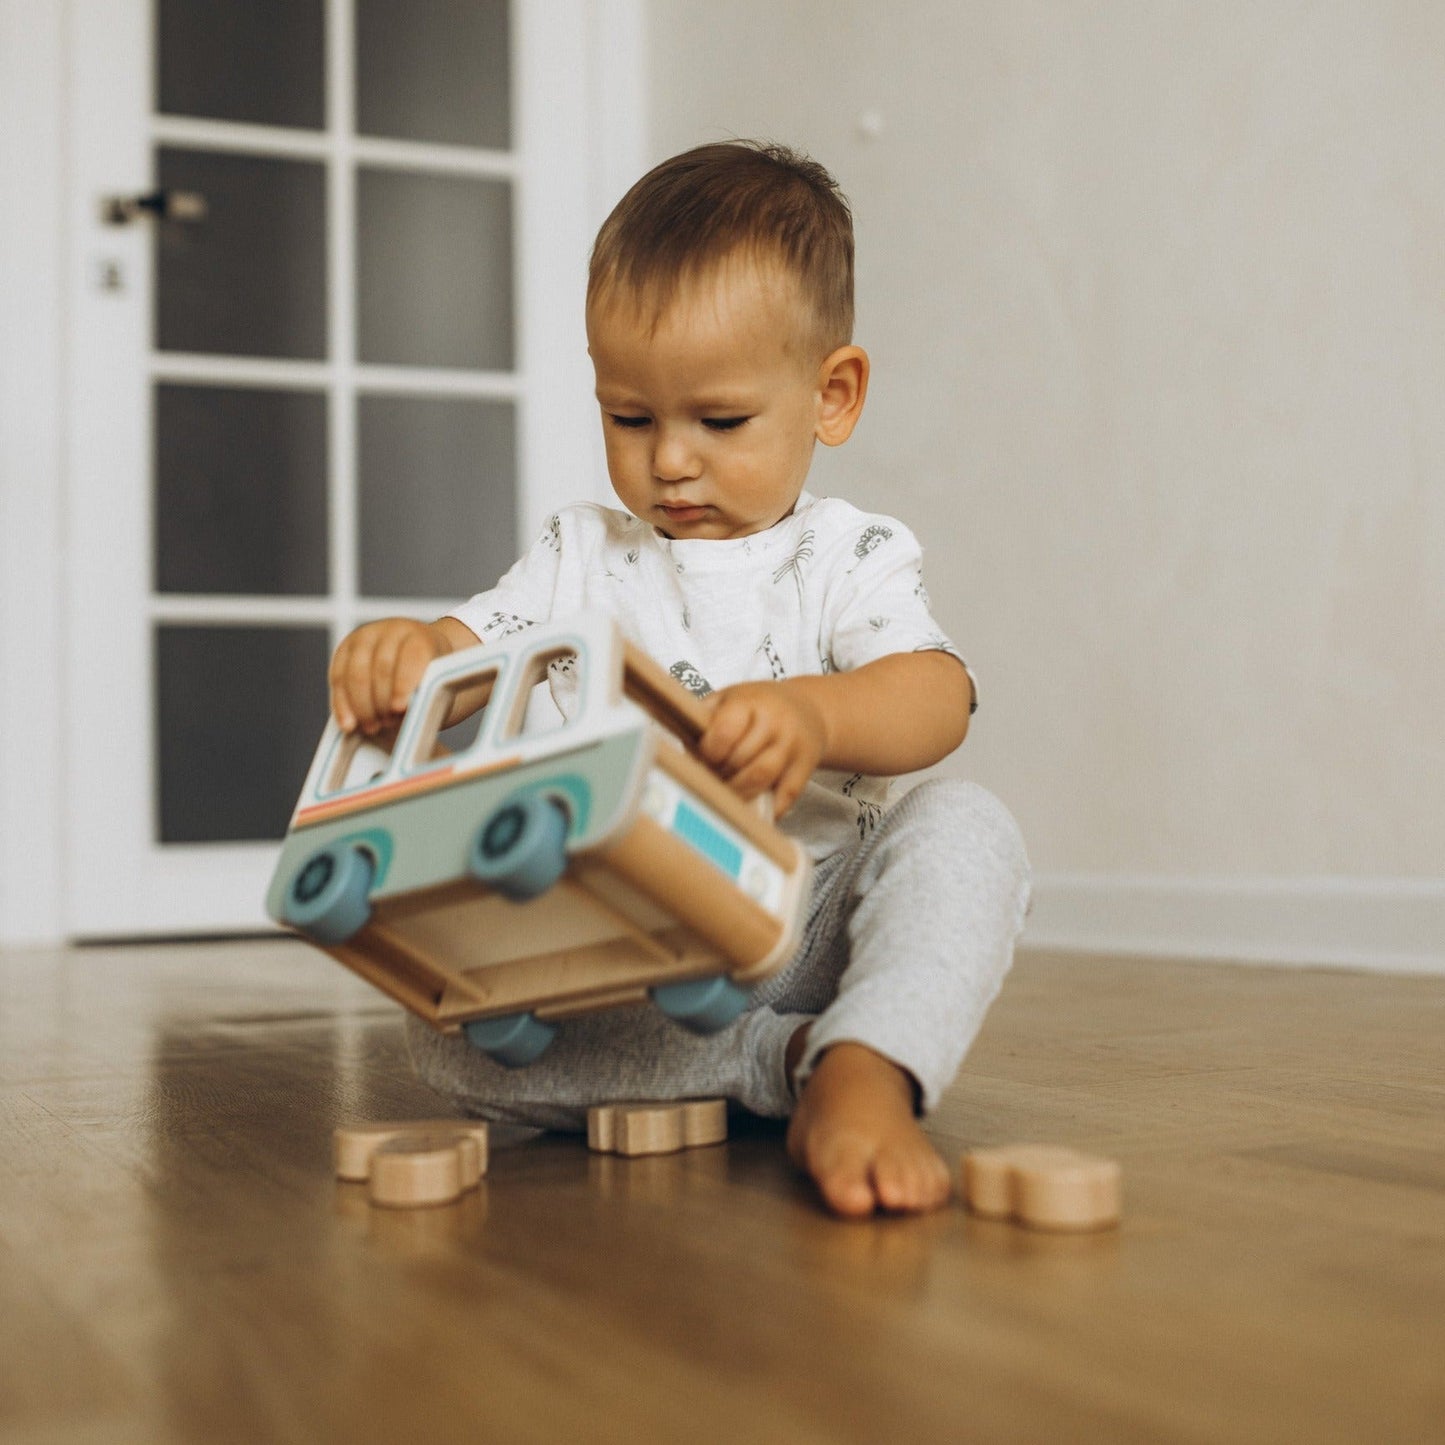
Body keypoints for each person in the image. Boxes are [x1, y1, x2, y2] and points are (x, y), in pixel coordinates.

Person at [327, 140, 1031, 1218]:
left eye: (719, 421)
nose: (668, 460)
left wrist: (814, 712)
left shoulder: (845, 554)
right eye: (630, 417)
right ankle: (781, 1061)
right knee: (441, 1033)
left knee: (967, 827)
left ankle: (871, 1059)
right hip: (619, 944)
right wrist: (415, 652)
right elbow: (474, 647)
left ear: (831, 395)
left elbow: (938, 694)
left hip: (809, 917)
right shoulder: (578, 555)